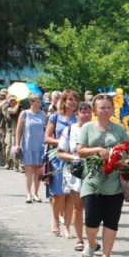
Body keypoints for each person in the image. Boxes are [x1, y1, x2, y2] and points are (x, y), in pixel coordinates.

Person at [77, 94, 129, 257]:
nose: (106, 110)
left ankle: (106, 256)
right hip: (92, 180)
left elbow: (128, 149)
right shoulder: (87, 128)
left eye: (109, 107)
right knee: (92, 219)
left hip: (114, 183)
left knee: (111, 221)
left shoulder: (119, 129)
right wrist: (97, 150)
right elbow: (80, 151)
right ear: (95, 110)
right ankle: (92, 244)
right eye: (102, 107)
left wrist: (120, 157)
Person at [57, 101, 92, 252]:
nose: (86, 114)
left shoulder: (97, 130)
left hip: (94, 171)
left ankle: (92, 238)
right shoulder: (70, 130)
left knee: (93, 208)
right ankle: (79, 239)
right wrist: (74, 158)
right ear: (76, 113)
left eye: (88, 111)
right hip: (75, 172)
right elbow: (60, 152)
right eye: (82, 111)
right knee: (78, 207)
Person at [44, 89, 78, 238]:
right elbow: (47, 138)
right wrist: (63, 142)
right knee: (59, 194)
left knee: (70, 195)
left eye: (75, 99)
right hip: (58, 158)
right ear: (63, 101)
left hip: (73, 158)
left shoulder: (79, 119)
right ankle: (56, 219)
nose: (72, 102)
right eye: (69, 99)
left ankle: (67, 227)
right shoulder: (55, 117)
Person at [15, 94, 47, 203]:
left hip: (40, 145)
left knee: (38, 171)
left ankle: (36, 193)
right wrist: (17, 144)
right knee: (28, 170)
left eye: (40, 101)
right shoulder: (24, 114)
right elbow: (18, 130)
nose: (39, 104)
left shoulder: (43, 114)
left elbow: (46, 130)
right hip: (28, 144)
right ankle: (28, 193)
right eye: (37, 101)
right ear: (31, 102)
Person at [3, 95, 22, 171]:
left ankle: (16, 165)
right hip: (10, 130)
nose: (12, 102)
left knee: (16, 146)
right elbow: (14, 111)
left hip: (18, 130)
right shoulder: (8, 109)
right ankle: (7, 162)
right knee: (9, 146)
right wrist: (19, 103)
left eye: (13, 100)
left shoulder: (20, 108)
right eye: (11, 100)